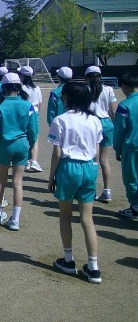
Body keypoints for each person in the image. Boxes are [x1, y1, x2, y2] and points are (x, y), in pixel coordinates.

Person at [48, 82, 103, 283]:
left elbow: (57, 152)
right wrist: (94, 169)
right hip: (89, 167)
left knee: (65, 215)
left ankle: (69, 259)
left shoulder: (60, 120)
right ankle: (93, 267)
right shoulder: (95, 120)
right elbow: (97, 150)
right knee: (87, 219)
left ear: (67, 98)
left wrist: (51, 176)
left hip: (68, 167)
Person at [0, 73, 38, 231]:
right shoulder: (27, 105)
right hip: (22, 145)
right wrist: (32, 146)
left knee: (1, 181)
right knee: (18, 183)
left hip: (5, 145)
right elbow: (33, 129)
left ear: (3, 87)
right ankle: (15, 219)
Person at [85, 66, 117, 203]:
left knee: (92, 160)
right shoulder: (109, 89)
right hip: (106, 124)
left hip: (90, 123)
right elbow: (113, 111)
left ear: (86, 77)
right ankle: (107, 191)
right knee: (104, 160)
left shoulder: (85, 89)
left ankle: (91, 191)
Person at [114, 72, 138, 219]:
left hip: (131, 147)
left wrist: (117, 149)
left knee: (131, 178)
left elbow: (119, 131)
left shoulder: (124, 105)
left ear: (124, 87)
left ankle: (135, 206)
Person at [19, 66, 43, 172]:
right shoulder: (37, 88)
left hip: (24, 113)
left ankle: (27, 160)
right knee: (35, 138)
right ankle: (33, 160)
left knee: (25, 136)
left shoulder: (21, 88)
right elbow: (40, 103)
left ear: (22, 76)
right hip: (35, 113)